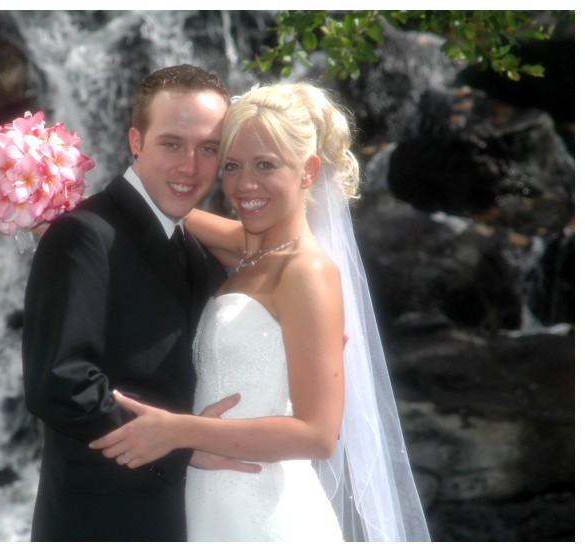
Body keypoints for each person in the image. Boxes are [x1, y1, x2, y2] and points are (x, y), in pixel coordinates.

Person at [90, 82, 431, 541]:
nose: (244, 185)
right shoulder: (249, 250)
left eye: (265, 166)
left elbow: (316, 435)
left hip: (267, 515)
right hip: (210, 504)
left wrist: (178, 431)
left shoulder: (306, 271)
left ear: (308, 170)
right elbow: (157, 203)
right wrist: (54, 200)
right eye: (231, 166)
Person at [21, 64, 256, 542]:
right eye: (172, 143)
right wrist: (183, 444)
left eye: (208, 148)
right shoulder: (84, 235)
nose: (189, 166)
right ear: (135, 141)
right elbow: (60, 382)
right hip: (103, 518)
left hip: (183, 513)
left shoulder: (195, 249)